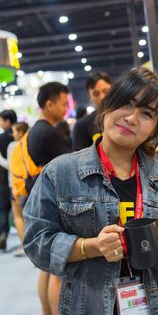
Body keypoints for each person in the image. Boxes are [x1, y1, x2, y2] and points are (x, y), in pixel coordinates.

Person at [23, 67, 158, 315]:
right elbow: (36, 242)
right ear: (106, 106)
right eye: (126, 103)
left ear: (155, 129)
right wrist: (92, 246)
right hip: (89, 305)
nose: (131, 118)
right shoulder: (59, 173)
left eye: (147, 113)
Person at [26, 82, 72, 315]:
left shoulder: (37, 130)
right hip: (55, 201)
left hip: (43, 197)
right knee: (57, 268)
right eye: (63, 104)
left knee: (46, 267)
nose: (65, 109)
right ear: (49, 104)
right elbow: (72, 162)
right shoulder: (48, 132)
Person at [0, 121, 29, 256]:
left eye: (15, 131)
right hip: (29, 184)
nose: (13, 134)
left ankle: (24, 246)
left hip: (15, 185)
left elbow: (10, 166)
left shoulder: (13, 145)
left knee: (18, 215)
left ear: (21, 132)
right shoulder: (29, 142)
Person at [72, 71, 112, 150]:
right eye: (96, 94)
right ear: (90, 96)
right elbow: (78, 160)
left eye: (105, 91)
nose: (102, 97)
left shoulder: (124, 119)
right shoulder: (82, 125)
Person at [0, 109, 17, 251]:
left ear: (7, 121)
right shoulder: (23, 136)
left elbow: (8, 164)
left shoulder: (2, 138)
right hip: (25, 179)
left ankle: (3, 233)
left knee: (5, 209)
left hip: (6, 179)